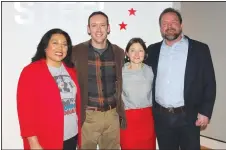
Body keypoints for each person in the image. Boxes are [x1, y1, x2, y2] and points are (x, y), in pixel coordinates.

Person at [145, 8, 216, 150]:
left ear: (181, 25)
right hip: (161, 117)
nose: (169, 26)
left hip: (188, 117)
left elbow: (209, 82)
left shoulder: (199, 49)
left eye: (174, 22)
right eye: (165, 23)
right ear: (160, 28)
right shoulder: (152, 50)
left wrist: (205, 111)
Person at [17, 28, 81, 150]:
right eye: (55, 43)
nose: (60, 48)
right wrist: (33, 142)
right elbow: (25, 110)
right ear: (45, 47)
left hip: (71, 135)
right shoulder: (31, 72)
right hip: (46, 138)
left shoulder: (71, 71)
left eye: (64, 44)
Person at [72, 11, 126, 149]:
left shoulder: (119, 53)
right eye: (94, 25)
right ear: (88, 29)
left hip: (112, 116)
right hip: (88, 116)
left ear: (108, 28)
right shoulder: (76, 52)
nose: (99, 29)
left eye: (102, 25)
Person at [120, 38, 156, 149]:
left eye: (140, 50)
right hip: (128, 119)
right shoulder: (120, 71)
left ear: (145, 53)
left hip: (147, 119)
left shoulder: (151, 70)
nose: (136, 54)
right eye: (132, 50)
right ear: (127, 53)